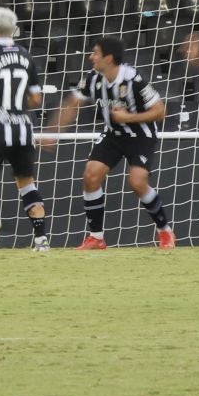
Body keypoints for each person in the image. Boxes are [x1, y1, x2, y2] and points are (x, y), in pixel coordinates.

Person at [48, 35, 171, 249]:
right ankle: (96, 237)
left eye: (95, 53)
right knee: (91, 175)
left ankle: (165, 231)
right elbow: (72, 103)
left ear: (109, 58)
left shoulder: (133, 78)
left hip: (140, 135)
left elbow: (160, 111)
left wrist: (128, 118)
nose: (90, 57)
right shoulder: (93, 78)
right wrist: (53, 131)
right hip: (113, 134)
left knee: (137, 183)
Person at [0, 6, 50, 252]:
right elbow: (37, 100)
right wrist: (15, 104)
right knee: (26, 183)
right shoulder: (27, 56)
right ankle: (41, 240)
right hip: (23, 129)